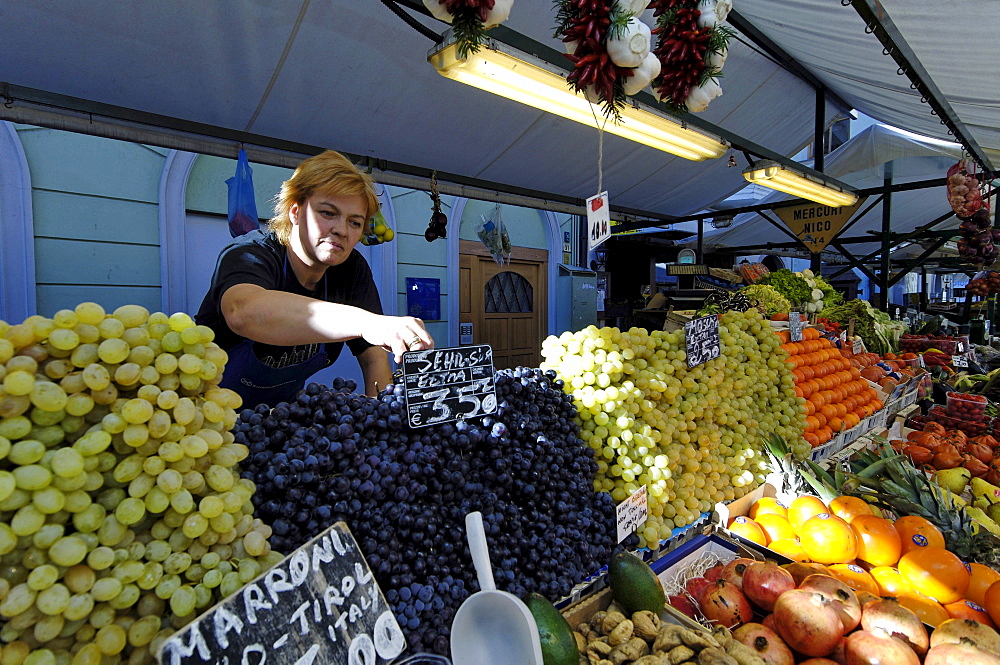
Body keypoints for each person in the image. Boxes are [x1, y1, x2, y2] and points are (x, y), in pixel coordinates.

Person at [196, 150, 433, 408]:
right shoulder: (250, 254)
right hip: (208, 419)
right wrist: (367, 323)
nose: (341, 230)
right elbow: (243, 311)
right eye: (328, 213)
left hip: (280, 422)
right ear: (295, 212)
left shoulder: (351, 269)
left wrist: (386, 417)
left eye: (354, 222)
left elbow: (373, 356)